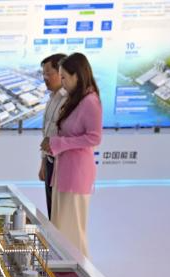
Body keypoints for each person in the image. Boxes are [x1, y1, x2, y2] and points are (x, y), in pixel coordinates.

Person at [41, 52, 102, 258]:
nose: (63, 82)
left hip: (76, 173)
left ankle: (80, 270)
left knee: (72, 230)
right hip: (63, 170)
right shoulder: (76, 100)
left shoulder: (90, 101)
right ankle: (63, 266)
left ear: (77, 75)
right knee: (60, 227)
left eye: (64, 77)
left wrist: (59, 143)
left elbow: (94, 137)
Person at [38, 53, 68, 221]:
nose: (45, 78)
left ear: (61, 72)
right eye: (43, 74)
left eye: (48, 73)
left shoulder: (69, 100)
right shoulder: (52, 99)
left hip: (63, 164)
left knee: (62, 215)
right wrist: (43, 162)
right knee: (52, 212)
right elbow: (47, 134)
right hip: (50, 162)